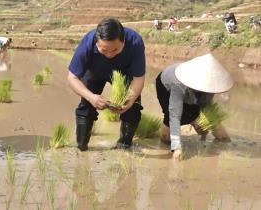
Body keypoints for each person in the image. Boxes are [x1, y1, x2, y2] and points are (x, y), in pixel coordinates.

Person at [67, 18, 145, 151]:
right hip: (95, 72)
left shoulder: (135, 42)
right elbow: (72, 77)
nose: (109, 55)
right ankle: (82, 147)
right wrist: (91, 97)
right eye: (104, 50)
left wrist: (130, 101)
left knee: (133, 108)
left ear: (123, 41)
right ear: (96, 42)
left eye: (115, 50)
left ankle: (124, 145)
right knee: (86, 105)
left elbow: (138, 78)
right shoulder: (87, 42)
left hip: (124, 74)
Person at [155, 54, 233, 162]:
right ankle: (170, 136)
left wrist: (205, 126)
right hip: (165, 87)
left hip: (188, 92)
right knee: (168, 131)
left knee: (197, 114)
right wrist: (176, 148)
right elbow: (174, 115)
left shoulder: (210, 84)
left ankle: (194, 122)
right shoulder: (178, 83)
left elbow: (204, 104)